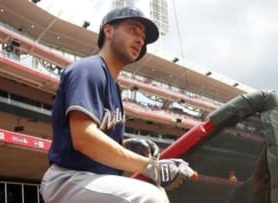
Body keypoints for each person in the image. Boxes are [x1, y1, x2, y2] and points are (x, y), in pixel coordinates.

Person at [40, 6, 195, 203]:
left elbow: (99, 137)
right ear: (109, 31)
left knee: (155, 192)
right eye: (133, 29)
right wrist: (150, 166)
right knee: (150, 198)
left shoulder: (115, 88)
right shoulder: (90, 69)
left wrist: (127, 145)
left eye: (143, 36)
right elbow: (84, 138)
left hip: (96, 180)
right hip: (69, 178)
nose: (140, 39)